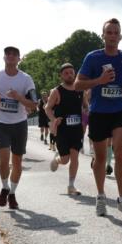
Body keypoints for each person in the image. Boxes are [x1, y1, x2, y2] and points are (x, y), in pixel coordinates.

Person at [76, 18, 122, 219]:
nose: (112, 36)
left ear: (120, 36)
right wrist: (99, 81)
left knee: (120, 152)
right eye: (109, 32)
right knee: (101, 157)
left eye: (115, 32)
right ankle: (101, 196)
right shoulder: (93, 57)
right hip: (99, 112)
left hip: (121, 110)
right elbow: (78, 84)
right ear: (102, 36)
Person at [0, 46, 38, 210]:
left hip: (20, 124)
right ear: (4, 57)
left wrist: (19, 97)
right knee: (4, 159)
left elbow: (34, 104)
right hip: (1, 123)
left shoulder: (26, 79)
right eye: (8, 54)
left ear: (19, 59)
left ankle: (12, 193)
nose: (11, 56)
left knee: (17, 162)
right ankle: (5, 187)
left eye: (14, 54)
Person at [45, 63, 86, 195]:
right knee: (65, 160)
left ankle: (71, 186)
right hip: (62, 130)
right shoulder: (56, 91)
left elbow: (86, 106)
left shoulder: (80, 90)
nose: (69, 75)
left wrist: (87, 116)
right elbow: (47, 108)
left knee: (75, 157)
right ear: (61, 76)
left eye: (71, 72)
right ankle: (58, 160)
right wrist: (53, 119)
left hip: (76, 130)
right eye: (66, 73)